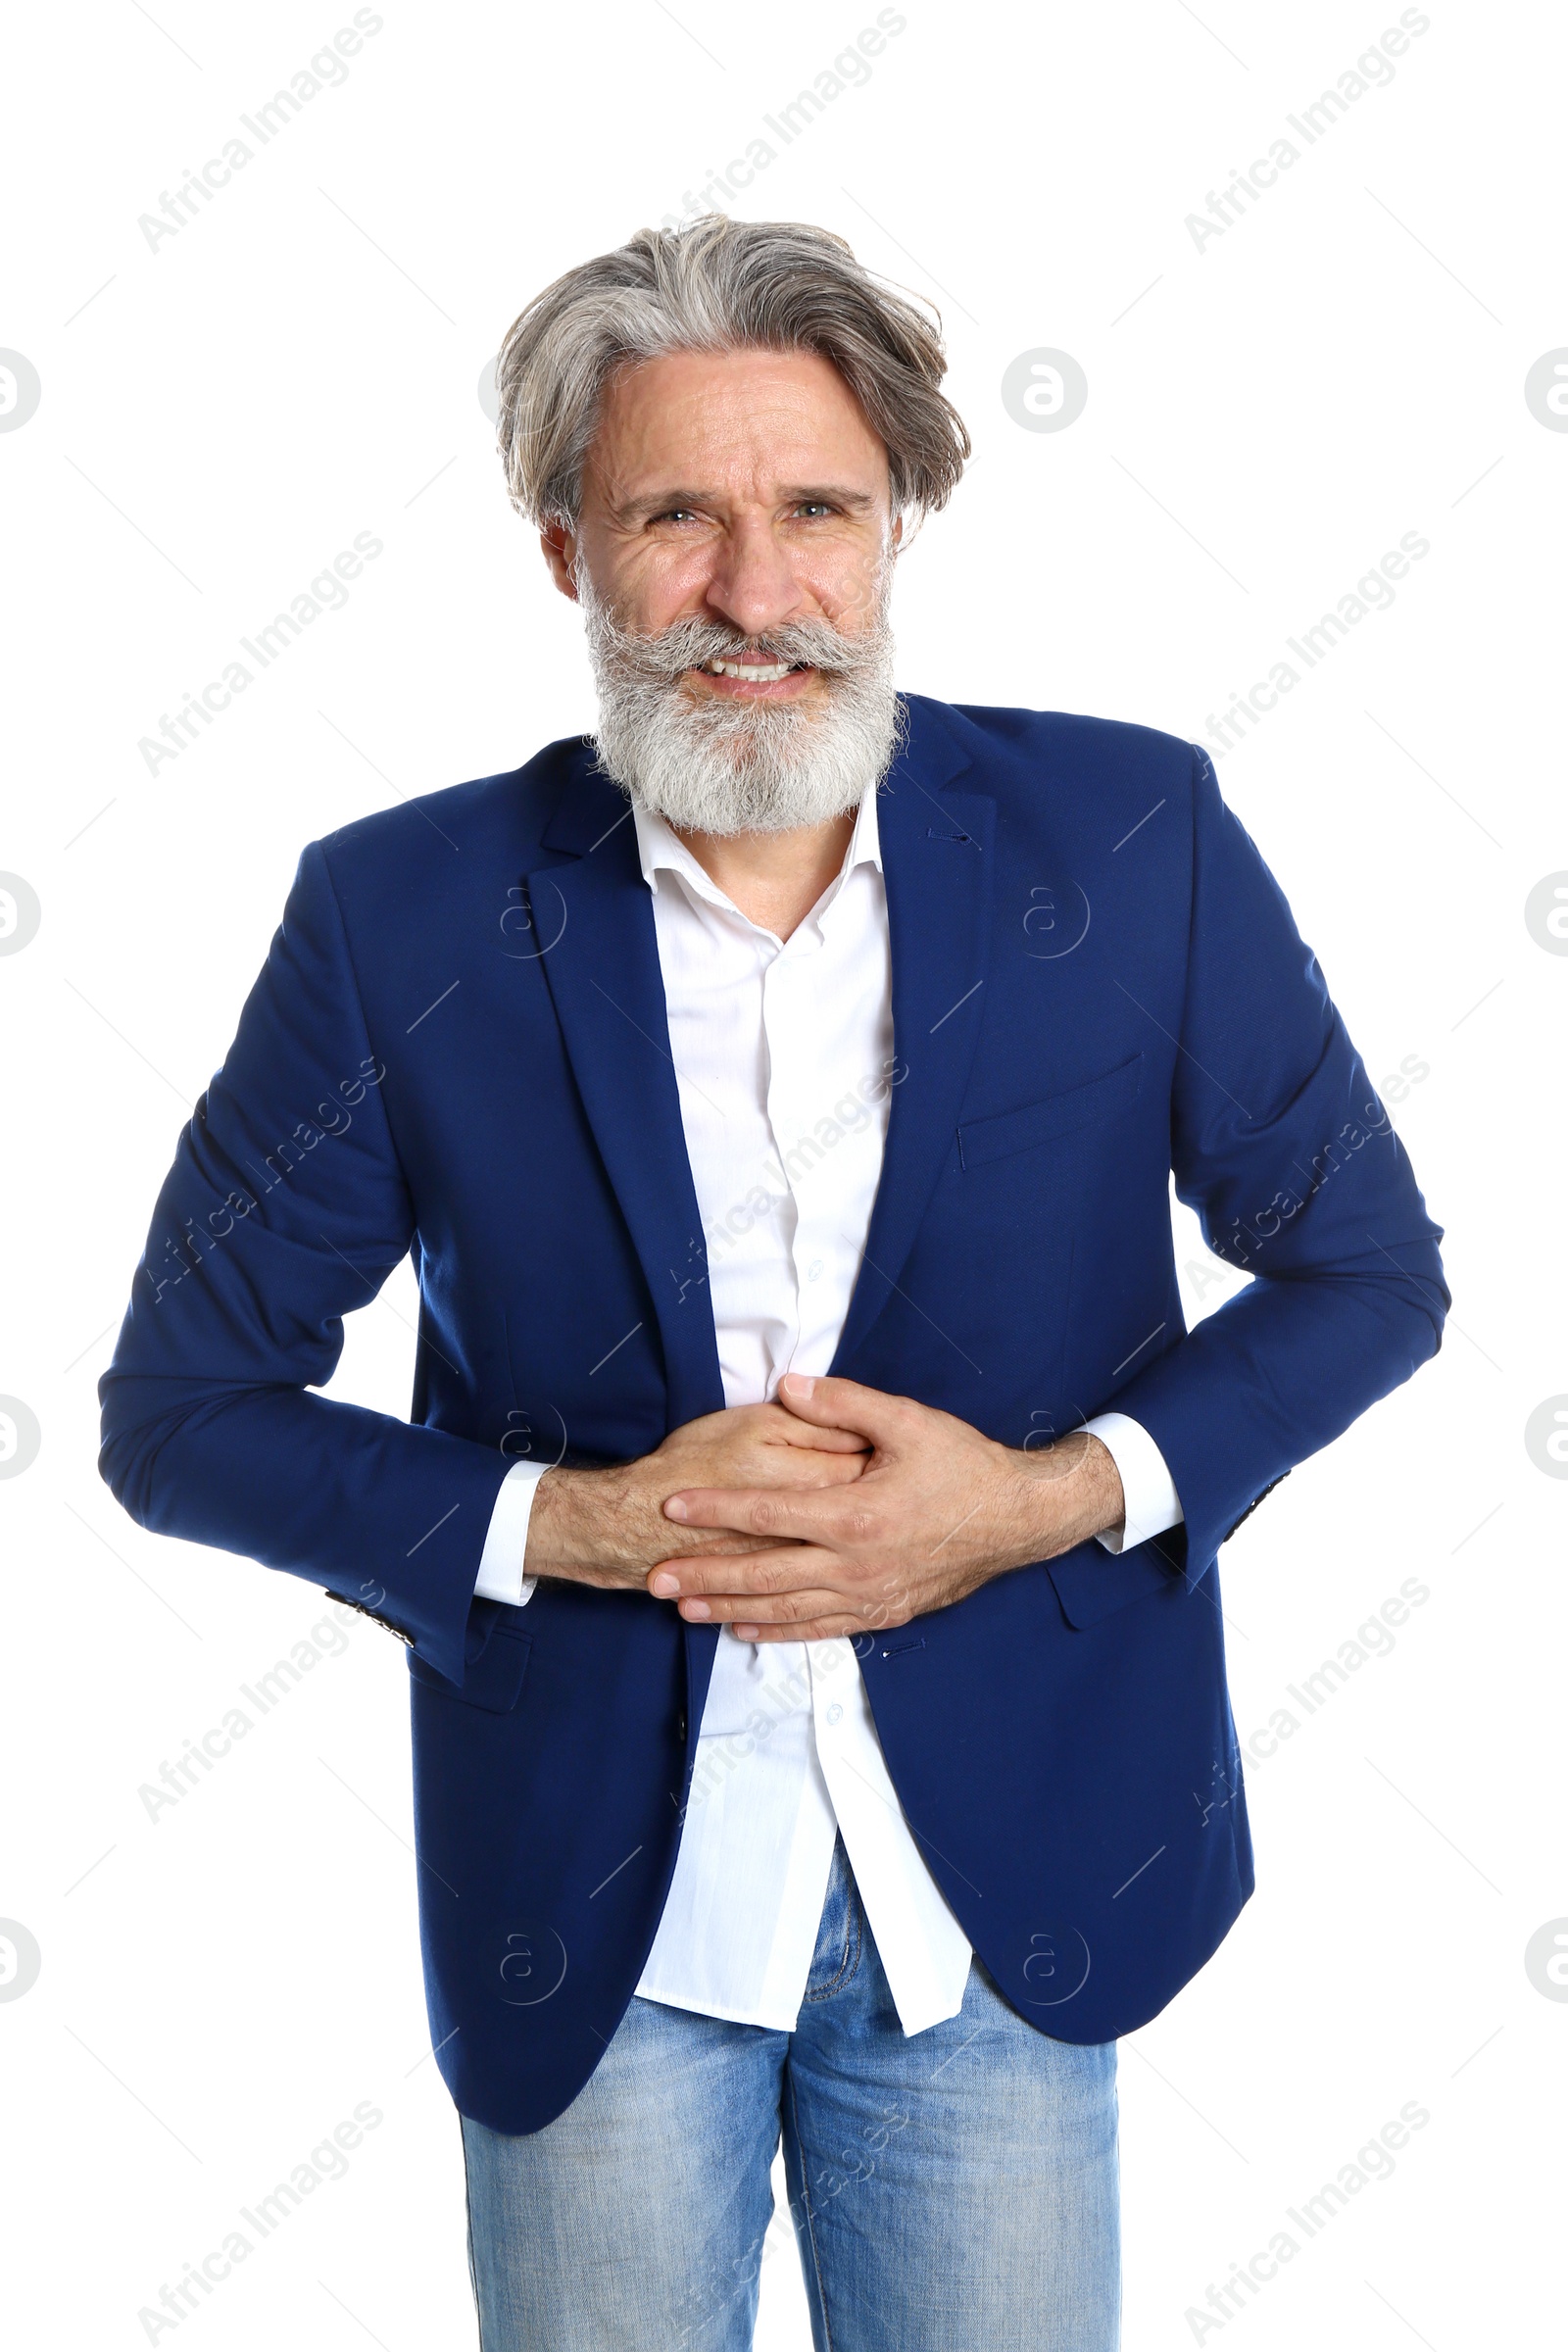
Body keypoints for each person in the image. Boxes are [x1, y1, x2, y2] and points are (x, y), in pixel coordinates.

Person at [100, 216, 1447, 2351]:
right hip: (595, 1925)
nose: (753, 596)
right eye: (672, 517)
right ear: (566, 553)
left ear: (893, 521)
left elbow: (1364, 1269)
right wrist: (581, 1527)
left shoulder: (1128, 835)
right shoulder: (399, 912)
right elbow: (181, 1415)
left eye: (814, 510)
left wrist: (1043, 1494)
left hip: (1000, 1898)